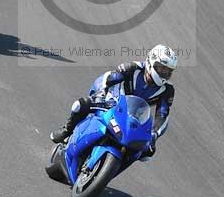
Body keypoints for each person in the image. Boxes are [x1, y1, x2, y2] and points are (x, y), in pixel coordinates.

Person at [50, 45, 178, 157]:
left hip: (135, 114)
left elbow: (163, 115)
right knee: (80, 105)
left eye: (168, 71)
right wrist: (102, 94)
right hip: (112, 98)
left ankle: (116, 163)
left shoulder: (167, 90)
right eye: (161, 68)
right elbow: (108, 78)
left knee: (147, 152)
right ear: (151, 61)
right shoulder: (133, 68)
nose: (164, 73)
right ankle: (68, 130)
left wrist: (154, 134)